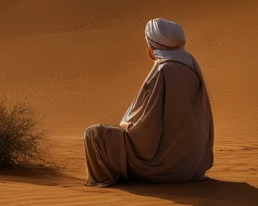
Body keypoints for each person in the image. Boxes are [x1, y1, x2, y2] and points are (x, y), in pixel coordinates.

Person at [83, 18, 214, 186]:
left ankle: (104, 180)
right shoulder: (189, 61)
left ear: (153, 44)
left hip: (164, 164)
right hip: (192, 164)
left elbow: (148, 125)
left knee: (94, 134)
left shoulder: (165, 69)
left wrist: (128, 126)